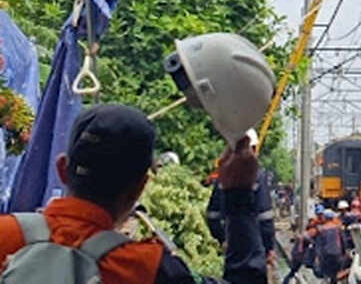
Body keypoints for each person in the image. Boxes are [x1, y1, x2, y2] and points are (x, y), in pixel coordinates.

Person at [0, 104, 266, 283]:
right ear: (141, 186)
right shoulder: (148, 268)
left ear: (62, 169)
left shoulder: (7, 234)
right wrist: (239, 197)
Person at [206, 129, 276, 267]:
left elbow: (212, 215)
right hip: (254, 247)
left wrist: (223, 239)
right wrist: (269, 248)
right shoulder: (258, 176)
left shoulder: (223, 176)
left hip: (232, 242)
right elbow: (265, 217)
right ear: (253, 149)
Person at [313, 209, 343, 283]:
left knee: (326, 274)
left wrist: (317, 256)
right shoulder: (338, 228)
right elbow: (343, 241)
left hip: (326, 255)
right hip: (337, 253)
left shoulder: (321, 229)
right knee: (334, 275)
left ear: (325, 218)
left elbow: (319, 245)